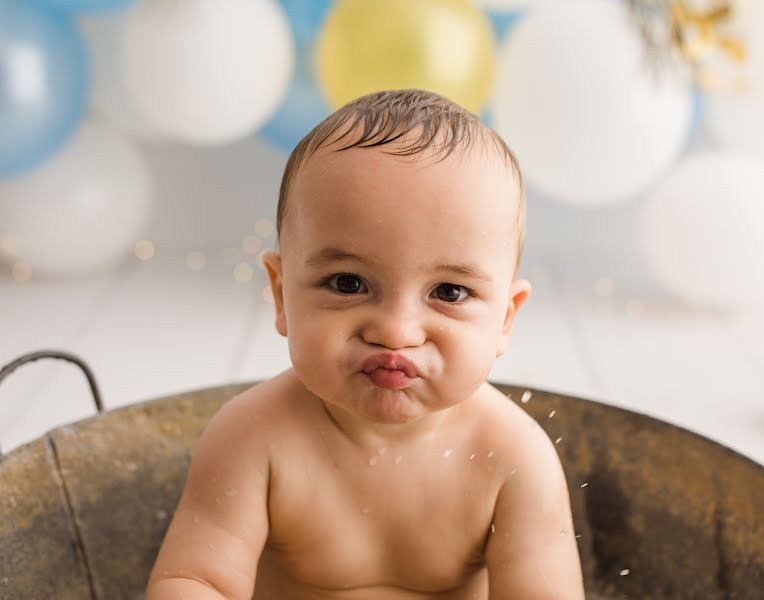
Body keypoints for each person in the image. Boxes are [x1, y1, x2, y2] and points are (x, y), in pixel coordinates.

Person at [146, 89, 585, 599]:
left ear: (505, 319)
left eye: (449, 292)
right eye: (348, 284)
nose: (396, 331)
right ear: (281, 294)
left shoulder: (513, 459)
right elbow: (197, 580)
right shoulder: (252, 438)